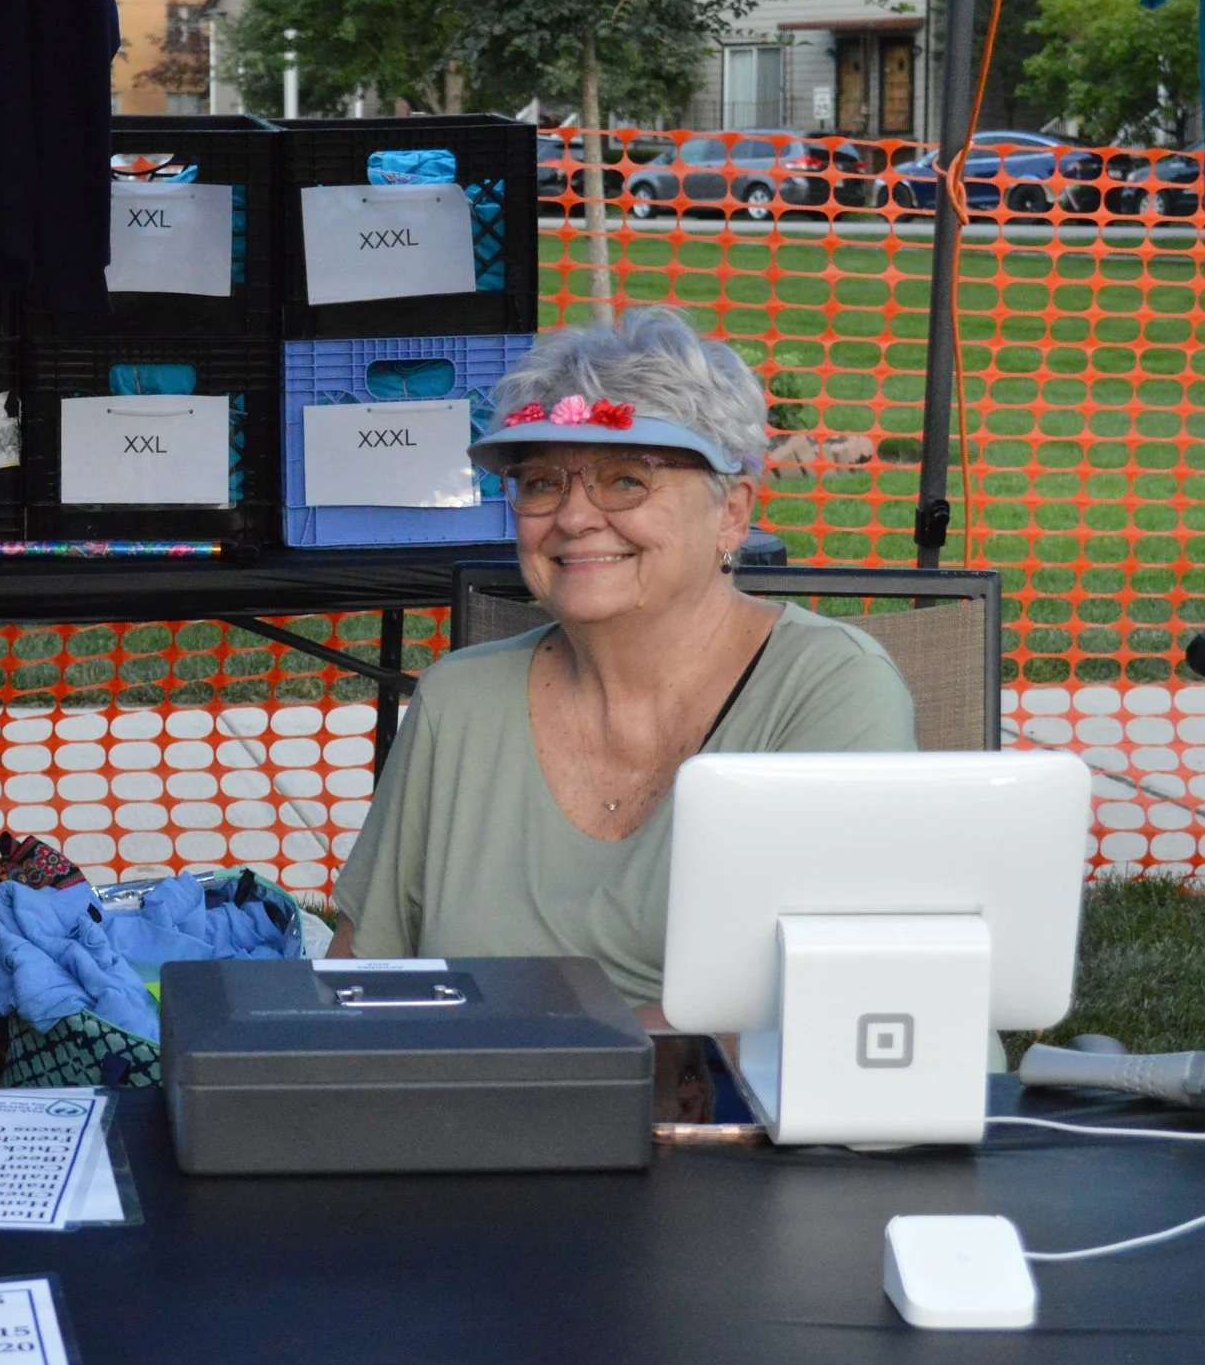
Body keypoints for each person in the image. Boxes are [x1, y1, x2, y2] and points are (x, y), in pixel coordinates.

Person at [331, 307, 917, 1028]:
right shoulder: (459, 701)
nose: (573, 517)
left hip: (742, 1126)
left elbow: (840, 1001)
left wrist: (540, 1072)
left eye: (626, 480)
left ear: (732, 513)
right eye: (542, 482)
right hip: (474, 1124)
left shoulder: (829, 688)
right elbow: (361, 972)